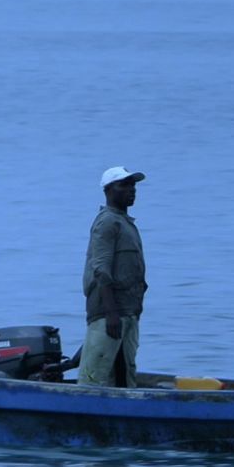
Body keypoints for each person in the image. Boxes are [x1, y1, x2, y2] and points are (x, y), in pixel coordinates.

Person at [78, 166, 148, 387]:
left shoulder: (125, 223)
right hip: (109, 314)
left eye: (133, 185)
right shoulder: (107, 222)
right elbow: (101, 269)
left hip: (128, 313)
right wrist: (111, 314)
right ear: (108, 190)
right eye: (124, 185)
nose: (131, 190)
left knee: (124, 377)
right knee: (94, 377)